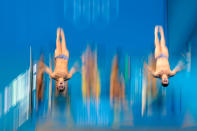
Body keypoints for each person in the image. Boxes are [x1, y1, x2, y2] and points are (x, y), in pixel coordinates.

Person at [37, 28, 78, 95]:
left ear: (57, 85)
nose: (61, 85)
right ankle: (62, 33)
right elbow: (73, 70)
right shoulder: (68, 77)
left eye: (59, 86)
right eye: (62, 86)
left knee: (58, 42)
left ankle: (58, 34)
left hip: (58, 56)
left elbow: (48, 70)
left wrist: (42, 66)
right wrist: (76, 67)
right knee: (64, 41)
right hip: (65, 57)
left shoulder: (54, 76)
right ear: (64, 85)